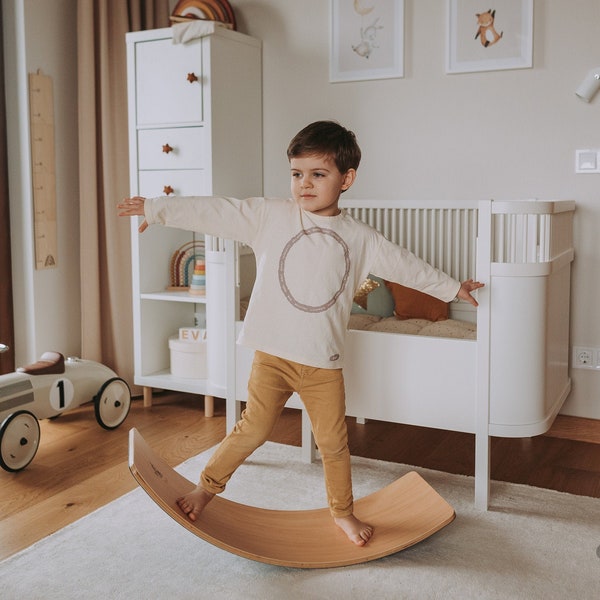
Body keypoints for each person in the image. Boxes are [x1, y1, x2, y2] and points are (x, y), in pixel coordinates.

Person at [117, 120, 483, 546]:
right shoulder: (271, 216)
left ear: (347, 179)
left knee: (334, 444)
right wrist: (158, 209)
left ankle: (343, 514)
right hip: (271, 355)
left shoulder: (360, 238)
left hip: (322, 363)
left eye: (318, 174)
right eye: (296, 174)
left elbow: (406, 265)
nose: (304, 185)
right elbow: (218, 210)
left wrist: (452, 287)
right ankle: (206, 488)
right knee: (251, 429)